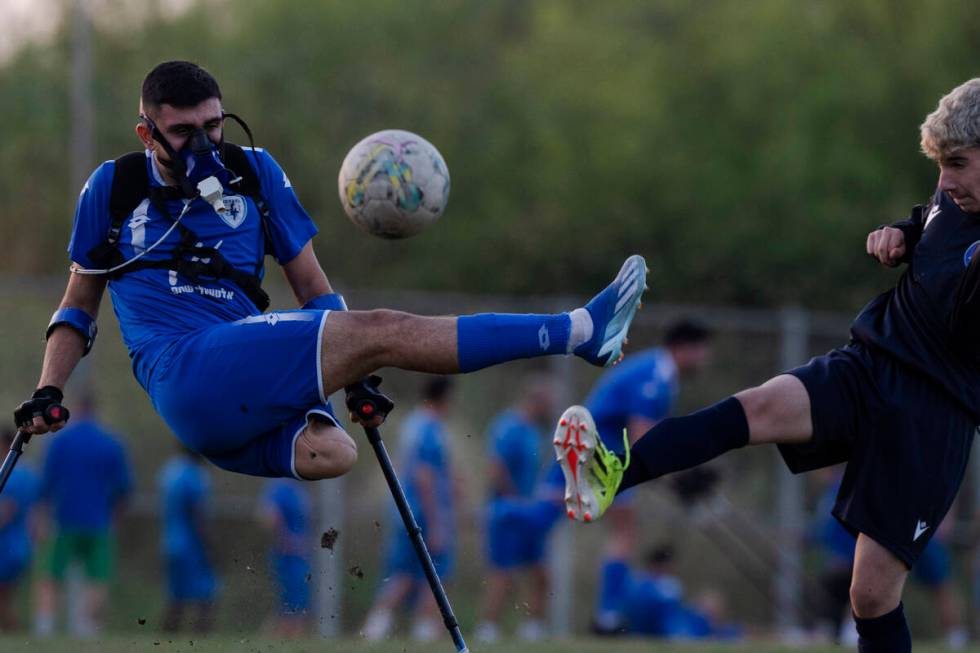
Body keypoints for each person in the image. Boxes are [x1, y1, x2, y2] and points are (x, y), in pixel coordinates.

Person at [14, 59, 646, 488]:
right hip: (178, 366)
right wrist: (49, 390)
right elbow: (77, 303)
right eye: (182, 133)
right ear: (146, 131)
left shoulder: (255, 172)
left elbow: (313, 289)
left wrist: (354, 378)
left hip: (233, 381)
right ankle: (579, 330)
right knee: (382, 327)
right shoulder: (114, 184)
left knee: (333, 453)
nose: (203, 144)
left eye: (213, 125)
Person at [554, 78, 980, 652]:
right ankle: (606, 478)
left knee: (871, 597)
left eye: (957, 163)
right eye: (940, 165)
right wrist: (898, 235)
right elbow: (926, 224)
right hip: (870, 364)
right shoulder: (950, 201)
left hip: (931, 416)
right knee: (754, 406)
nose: (945, 179)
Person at [581, 319, 711, 633]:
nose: (705, 359)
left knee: (619, 529)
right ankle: (607, 616)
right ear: (682, 349)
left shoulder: (660, 372)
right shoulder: (656, 375)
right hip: (599, 451)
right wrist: (677, 478)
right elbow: (642, 437)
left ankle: (607, 614)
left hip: (596, 448)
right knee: (624, 531)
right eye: (701, 351)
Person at [363, 377, 457, 642]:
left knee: (404, 573)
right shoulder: (430, 428)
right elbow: (424, 476)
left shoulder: (412, 425)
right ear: (444, 398)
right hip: (424, 512)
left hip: (406, 510)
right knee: (436, 573)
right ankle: (425, 633)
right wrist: (437, 521)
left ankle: (375, 628)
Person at [34, 396, 132, 637]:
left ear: (75, 410)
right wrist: (115, 520)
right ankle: (87, 628)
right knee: (97, 577)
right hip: (98, 521)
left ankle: (45, 626)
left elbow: (45, 484)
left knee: (51, 574)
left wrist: (40, 518)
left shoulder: (60, 441)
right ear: (96, 410)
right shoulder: (111, 442)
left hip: (64, 519)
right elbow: (123, 489)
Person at [474, 373, 558, 643]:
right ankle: (487, 629)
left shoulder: (536, 431)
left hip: (530, 511)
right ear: (536, 400)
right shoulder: (508, 426)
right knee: (502, 574)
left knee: (541, 573)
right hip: (507, 511)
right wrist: (515, 498)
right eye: (548, 402)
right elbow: (495, 467)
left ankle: (532, 629)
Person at [159, 447, 217, 634]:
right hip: (192, 545)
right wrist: (210, 545)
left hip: (171, 542)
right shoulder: (195, 476)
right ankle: (200, 641)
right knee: (207, 595)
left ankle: (166, 639)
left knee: (176, 596)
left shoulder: (170, 471)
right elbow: (198, 514)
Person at [256, 476, 312, 637]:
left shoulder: (297, 487)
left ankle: (284, 640)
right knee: (290, 606)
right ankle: (281, 639)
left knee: (297, 604)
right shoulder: (279, 487)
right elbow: (268, 515)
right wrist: (286, 541)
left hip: (300, 555)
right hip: (288, 556)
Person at [0, 428, 40, 632]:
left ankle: (14, 631)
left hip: (6, 547)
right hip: (21, 544)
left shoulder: (10, 474)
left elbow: (5, 512)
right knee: (6, 599)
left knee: (4, 599)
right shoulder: (29, 474)